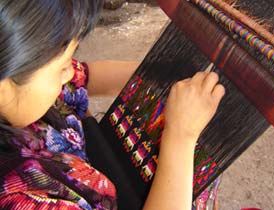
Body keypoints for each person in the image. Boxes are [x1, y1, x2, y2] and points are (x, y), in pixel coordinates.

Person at [0, 0, 225, 209]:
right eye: (62, 67)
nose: (69, 73)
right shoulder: (19, 200)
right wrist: (181, 136)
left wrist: (160, 72)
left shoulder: (20, 91)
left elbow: (87, 76)